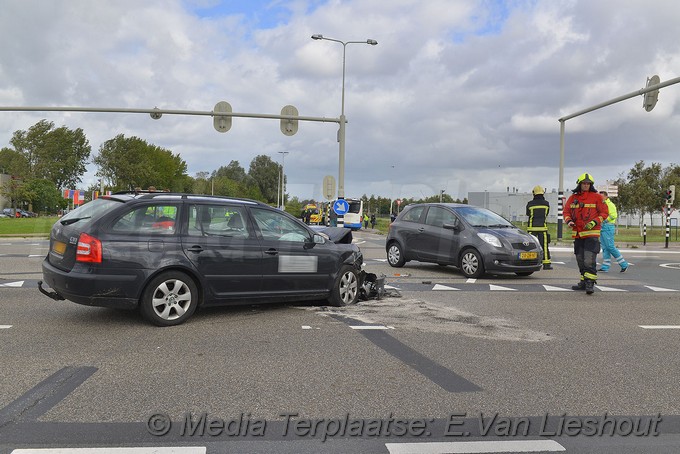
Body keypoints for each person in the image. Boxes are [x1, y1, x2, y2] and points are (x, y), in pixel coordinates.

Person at [563, 173, 609, 295]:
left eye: (588, 184)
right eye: (584, 183)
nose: (586, 185)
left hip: (591, 234)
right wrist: (569, 221)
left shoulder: (597, 197)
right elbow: (566, 211)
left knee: (589, 260)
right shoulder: (573, 198)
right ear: (580, 184)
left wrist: (594, 222)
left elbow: (604, 213)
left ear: (591, 185)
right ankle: (583, 281)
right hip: (578, 234)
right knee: (580, 259)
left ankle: (590, 283)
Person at [598, 191, 629, 273]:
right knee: (605, 248)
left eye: (601, 196)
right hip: (603, 227)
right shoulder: (602, 204)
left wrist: (604, 221)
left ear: (606, 197)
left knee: (610, 247)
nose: (600, 198)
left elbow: (613, 215)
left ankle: (624, 264)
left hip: (608, 227)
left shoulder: (610, 205)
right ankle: (605, 267)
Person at [526, 185, 552, 270]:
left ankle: (529, 263)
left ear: (534, 193)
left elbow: (528, 214)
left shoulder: (530, 204)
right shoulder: (546, 204)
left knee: (530, 247)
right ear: (543, 193)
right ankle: (546, 264)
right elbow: (546, 213)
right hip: (542, 228)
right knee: (544, 246)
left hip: (531, 228)